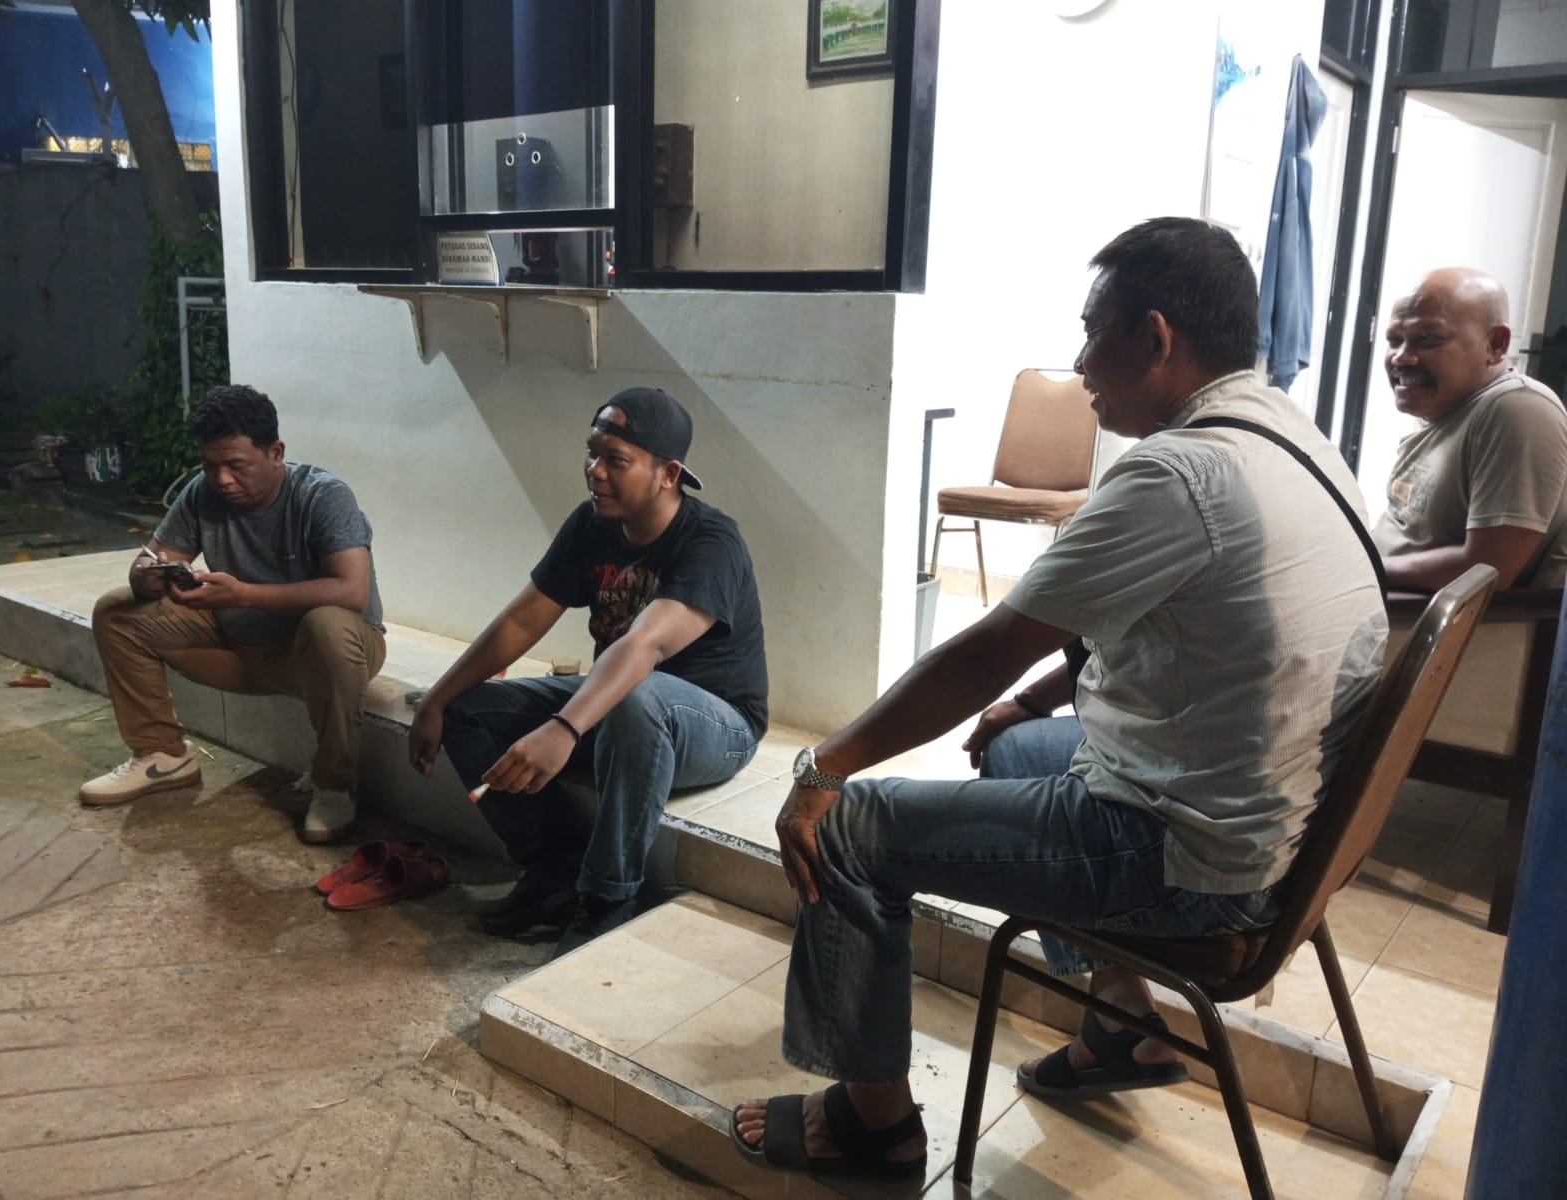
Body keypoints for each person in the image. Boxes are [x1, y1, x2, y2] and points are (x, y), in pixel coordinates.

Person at [730, 217, 1387, 1182]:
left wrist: (824, 766)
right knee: (1012, 743)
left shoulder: (1180, 473)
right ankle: (1125, 1026)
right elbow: (1167, 626)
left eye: (1091, 332)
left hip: (1184, 854)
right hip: (1274, 822)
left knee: (847, 832)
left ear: (1155, 338)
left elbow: (984, 654)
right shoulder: (1294, 439)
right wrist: (1034, 702)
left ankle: (875, 1127)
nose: (1080, 364)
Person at [409, 387, 768, 957]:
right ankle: (555, 872)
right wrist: (436, 700)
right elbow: (522, 619)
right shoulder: (592, 525)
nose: (594, 472)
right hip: (623, 707)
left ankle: (607, 900)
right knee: (469, 711)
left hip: (715, 726)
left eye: (615, 460)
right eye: (592, 453)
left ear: (668, 473)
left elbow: (645, 645)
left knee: (637, 696)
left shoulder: (711, 541)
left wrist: (564, 727)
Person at [81, 384, 386, 845]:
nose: (222, 479)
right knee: (117, 611)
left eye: (236, 465)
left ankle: (334, 782)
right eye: (210, 465)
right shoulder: (202, 493)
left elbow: (352, 590)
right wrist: (150, 575)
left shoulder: (323, 495)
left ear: (276, 452)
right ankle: (162, 756)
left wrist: (242, 595)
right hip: (242, 647)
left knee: (328, 623)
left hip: (327, 653)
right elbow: (153, 557)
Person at [1372, 267, 1567, 590]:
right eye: (1394, 340)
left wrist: (1363, 570)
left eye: (1427, 340)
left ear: (1495, 344)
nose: (1401, 358)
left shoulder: (1517, 409)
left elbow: (1488, 569)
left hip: (1424, 619)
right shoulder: (1445, 409)